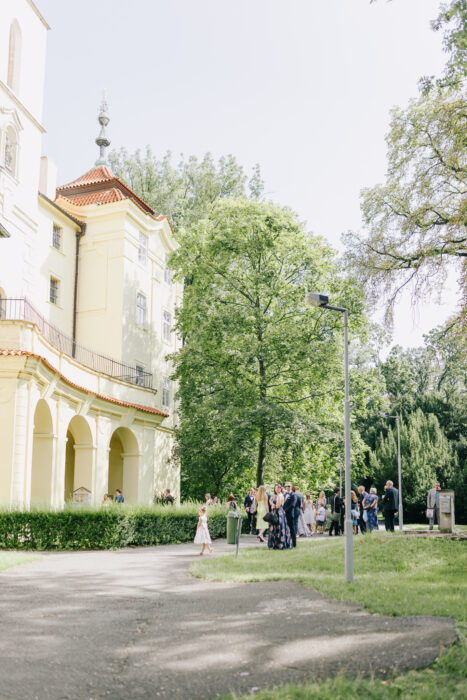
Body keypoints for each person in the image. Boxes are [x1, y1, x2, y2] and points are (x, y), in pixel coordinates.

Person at [268, 484, 292, 549]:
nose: (276, 489)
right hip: (281, 513)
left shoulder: (279, 496)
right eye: (275, 488)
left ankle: (277, 544)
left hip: (278, 513)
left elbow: (277, 506)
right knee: (281, 528)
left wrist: (271, 503)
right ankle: (280, 543)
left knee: (277, 528)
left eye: (277, 488)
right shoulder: (281, 495)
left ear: (279, 489)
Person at [283, 482, 297, 548]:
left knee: (292, 529)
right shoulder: (284, 494)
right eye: (286, 486)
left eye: (289, 486)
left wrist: (285, 510)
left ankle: (294, 544)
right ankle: (286, 543)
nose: (287, 487)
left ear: (291, 487)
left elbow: (292, 505)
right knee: (285, 529)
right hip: (283, 514)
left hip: (290, 514)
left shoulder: (293, 495)